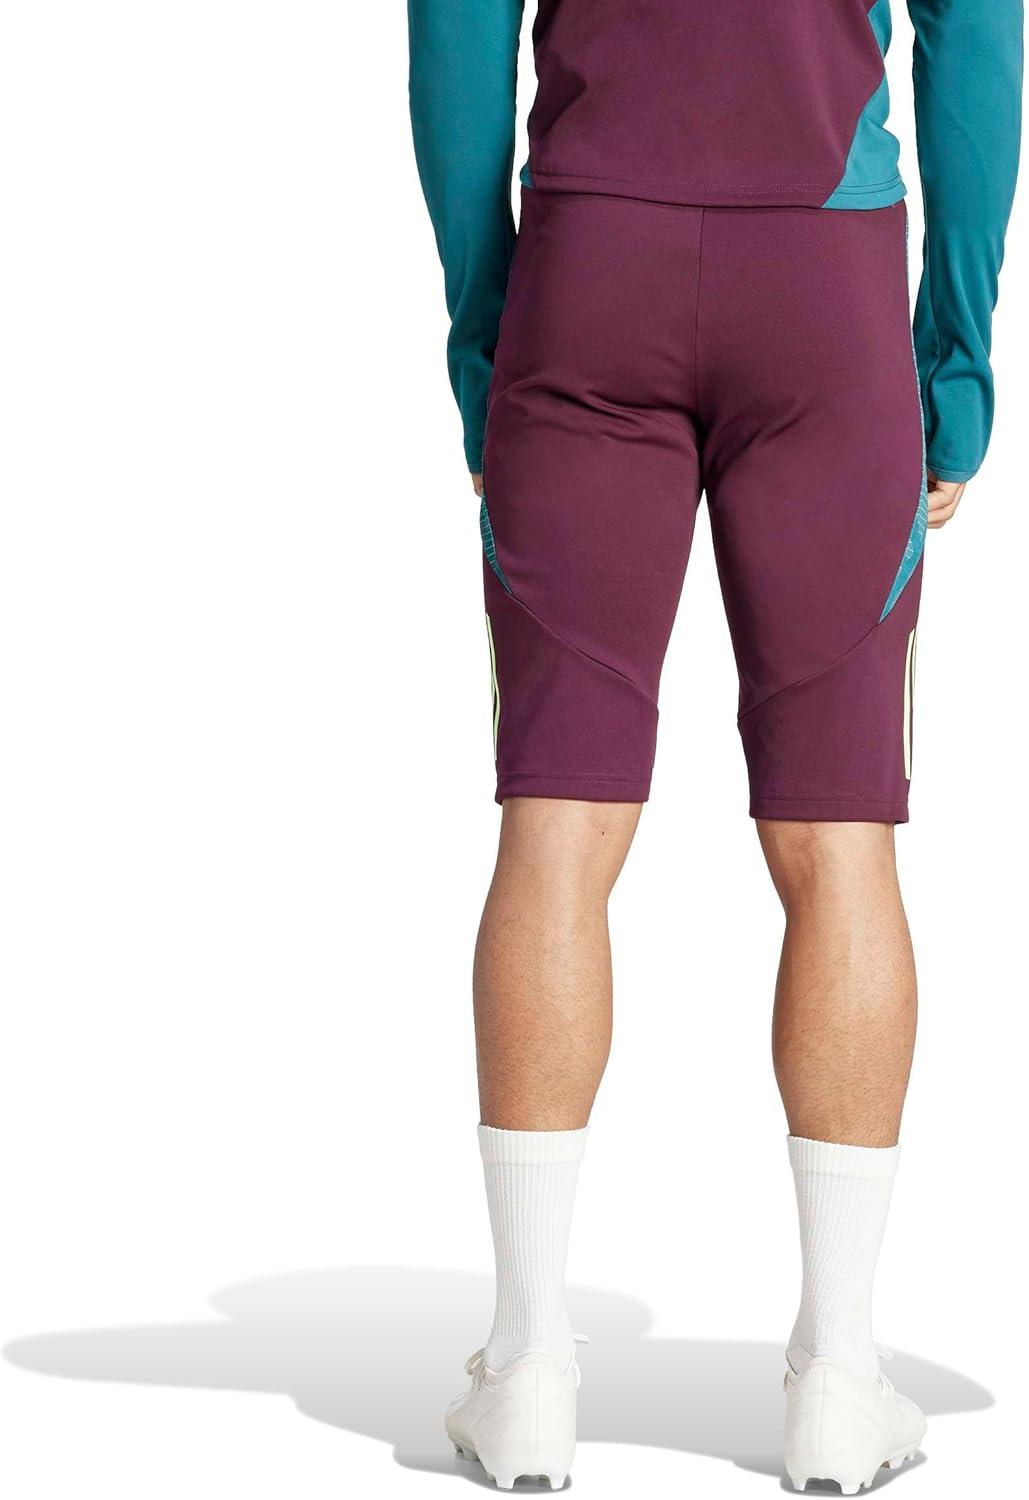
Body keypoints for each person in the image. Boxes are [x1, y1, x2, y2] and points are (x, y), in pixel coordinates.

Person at [408, 1, 1021, 1492]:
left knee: (557, 823)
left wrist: (489, 335)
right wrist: (951, 362)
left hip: (589, 264)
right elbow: (976, 37)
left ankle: (530, 1366)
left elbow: (456, 40)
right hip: (824, 275)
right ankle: (840, 1375)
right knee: (838, 836)